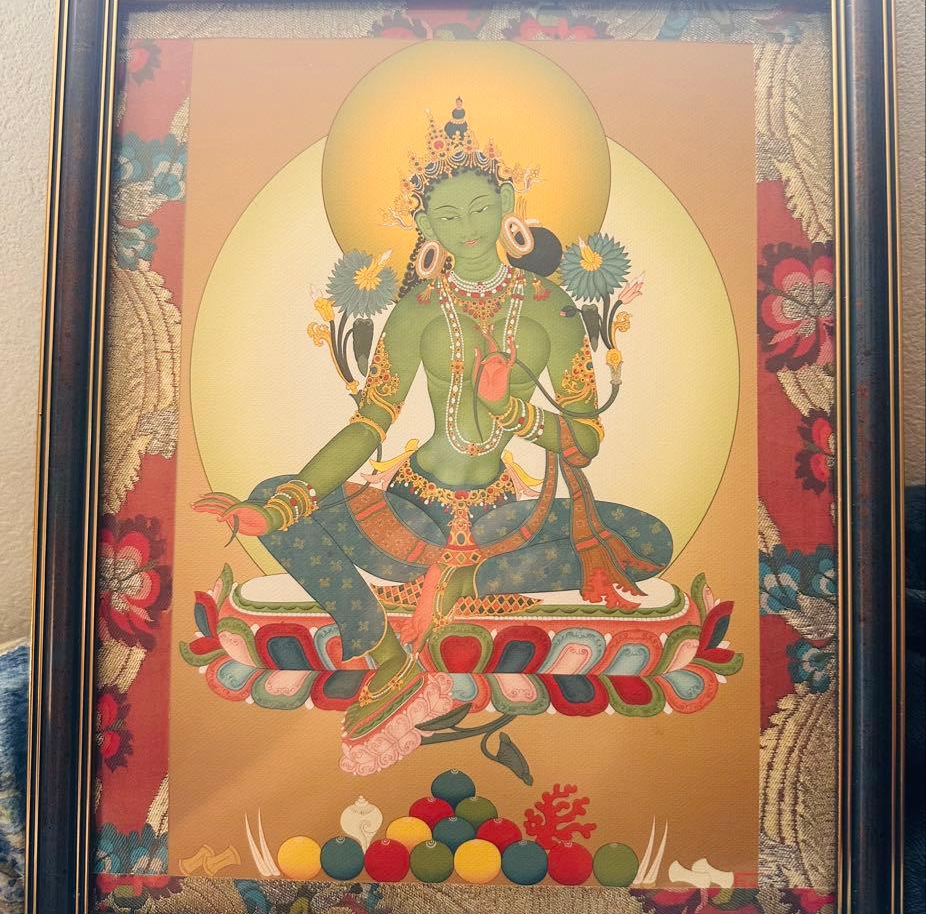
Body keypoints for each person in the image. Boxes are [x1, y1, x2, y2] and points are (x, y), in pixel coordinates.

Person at [194, 103, 672, 739]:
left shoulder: (550, 307)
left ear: (506, 203)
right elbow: (371, 423)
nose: (467, 228)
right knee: (269, 493)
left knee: (649, 541)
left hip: (503, 520)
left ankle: (461, 580)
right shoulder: (416, 309)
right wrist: (286, 507)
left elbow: (585, 439)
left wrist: (514, 413)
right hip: (408, 519)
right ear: (425, 225)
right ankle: (387, 655)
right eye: (447, 216)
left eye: (479, 209)